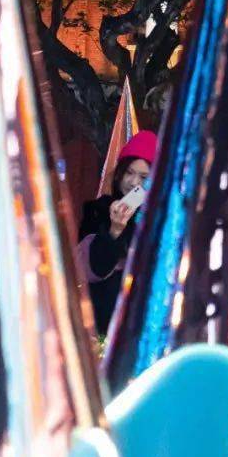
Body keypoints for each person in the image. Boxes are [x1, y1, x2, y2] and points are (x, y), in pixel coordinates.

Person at [78, 130, 158, 335]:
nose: (133, 183)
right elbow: (93, 269)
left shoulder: (161, 218)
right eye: (129, 173)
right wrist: (114, 231)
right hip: (104, 329)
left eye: (143, 177)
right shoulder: (97, 211)